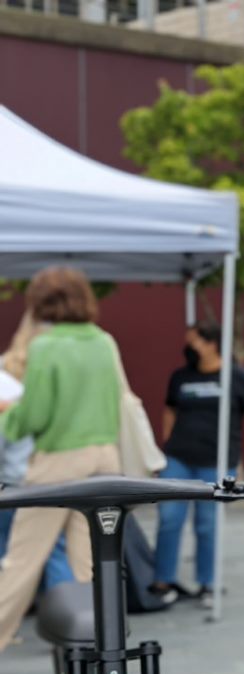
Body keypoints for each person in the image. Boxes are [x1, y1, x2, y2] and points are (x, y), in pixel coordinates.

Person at [0, 267, 122, 652]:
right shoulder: (104, 342)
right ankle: (102, 649)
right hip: (106, 459)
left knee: (20, 563)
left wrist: (7, 415)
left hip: (58, 463)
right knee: (94, 564)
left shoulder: (46, 347)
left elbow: (33, 416)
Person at [150, 319, 244, 606]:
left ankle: (208, 584)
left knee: (207, 525)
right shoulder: (180, 377)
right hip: (178, 460)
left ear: (210, 344)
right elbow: (170, 410)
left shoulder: (239, 378)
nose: (188, 348)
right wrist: (167, 442)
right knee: (169, 520)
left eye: (192, 341)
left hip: (216, 463)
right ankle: (163, 582)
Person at [0, 312, 72, 594]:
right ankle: (68, 621)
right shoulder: (60, 372)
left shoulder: (4, 372)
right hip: (48, 474)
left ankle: (7, 620)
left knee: (8, 550)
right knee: (55, 549)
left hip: (10, 479)